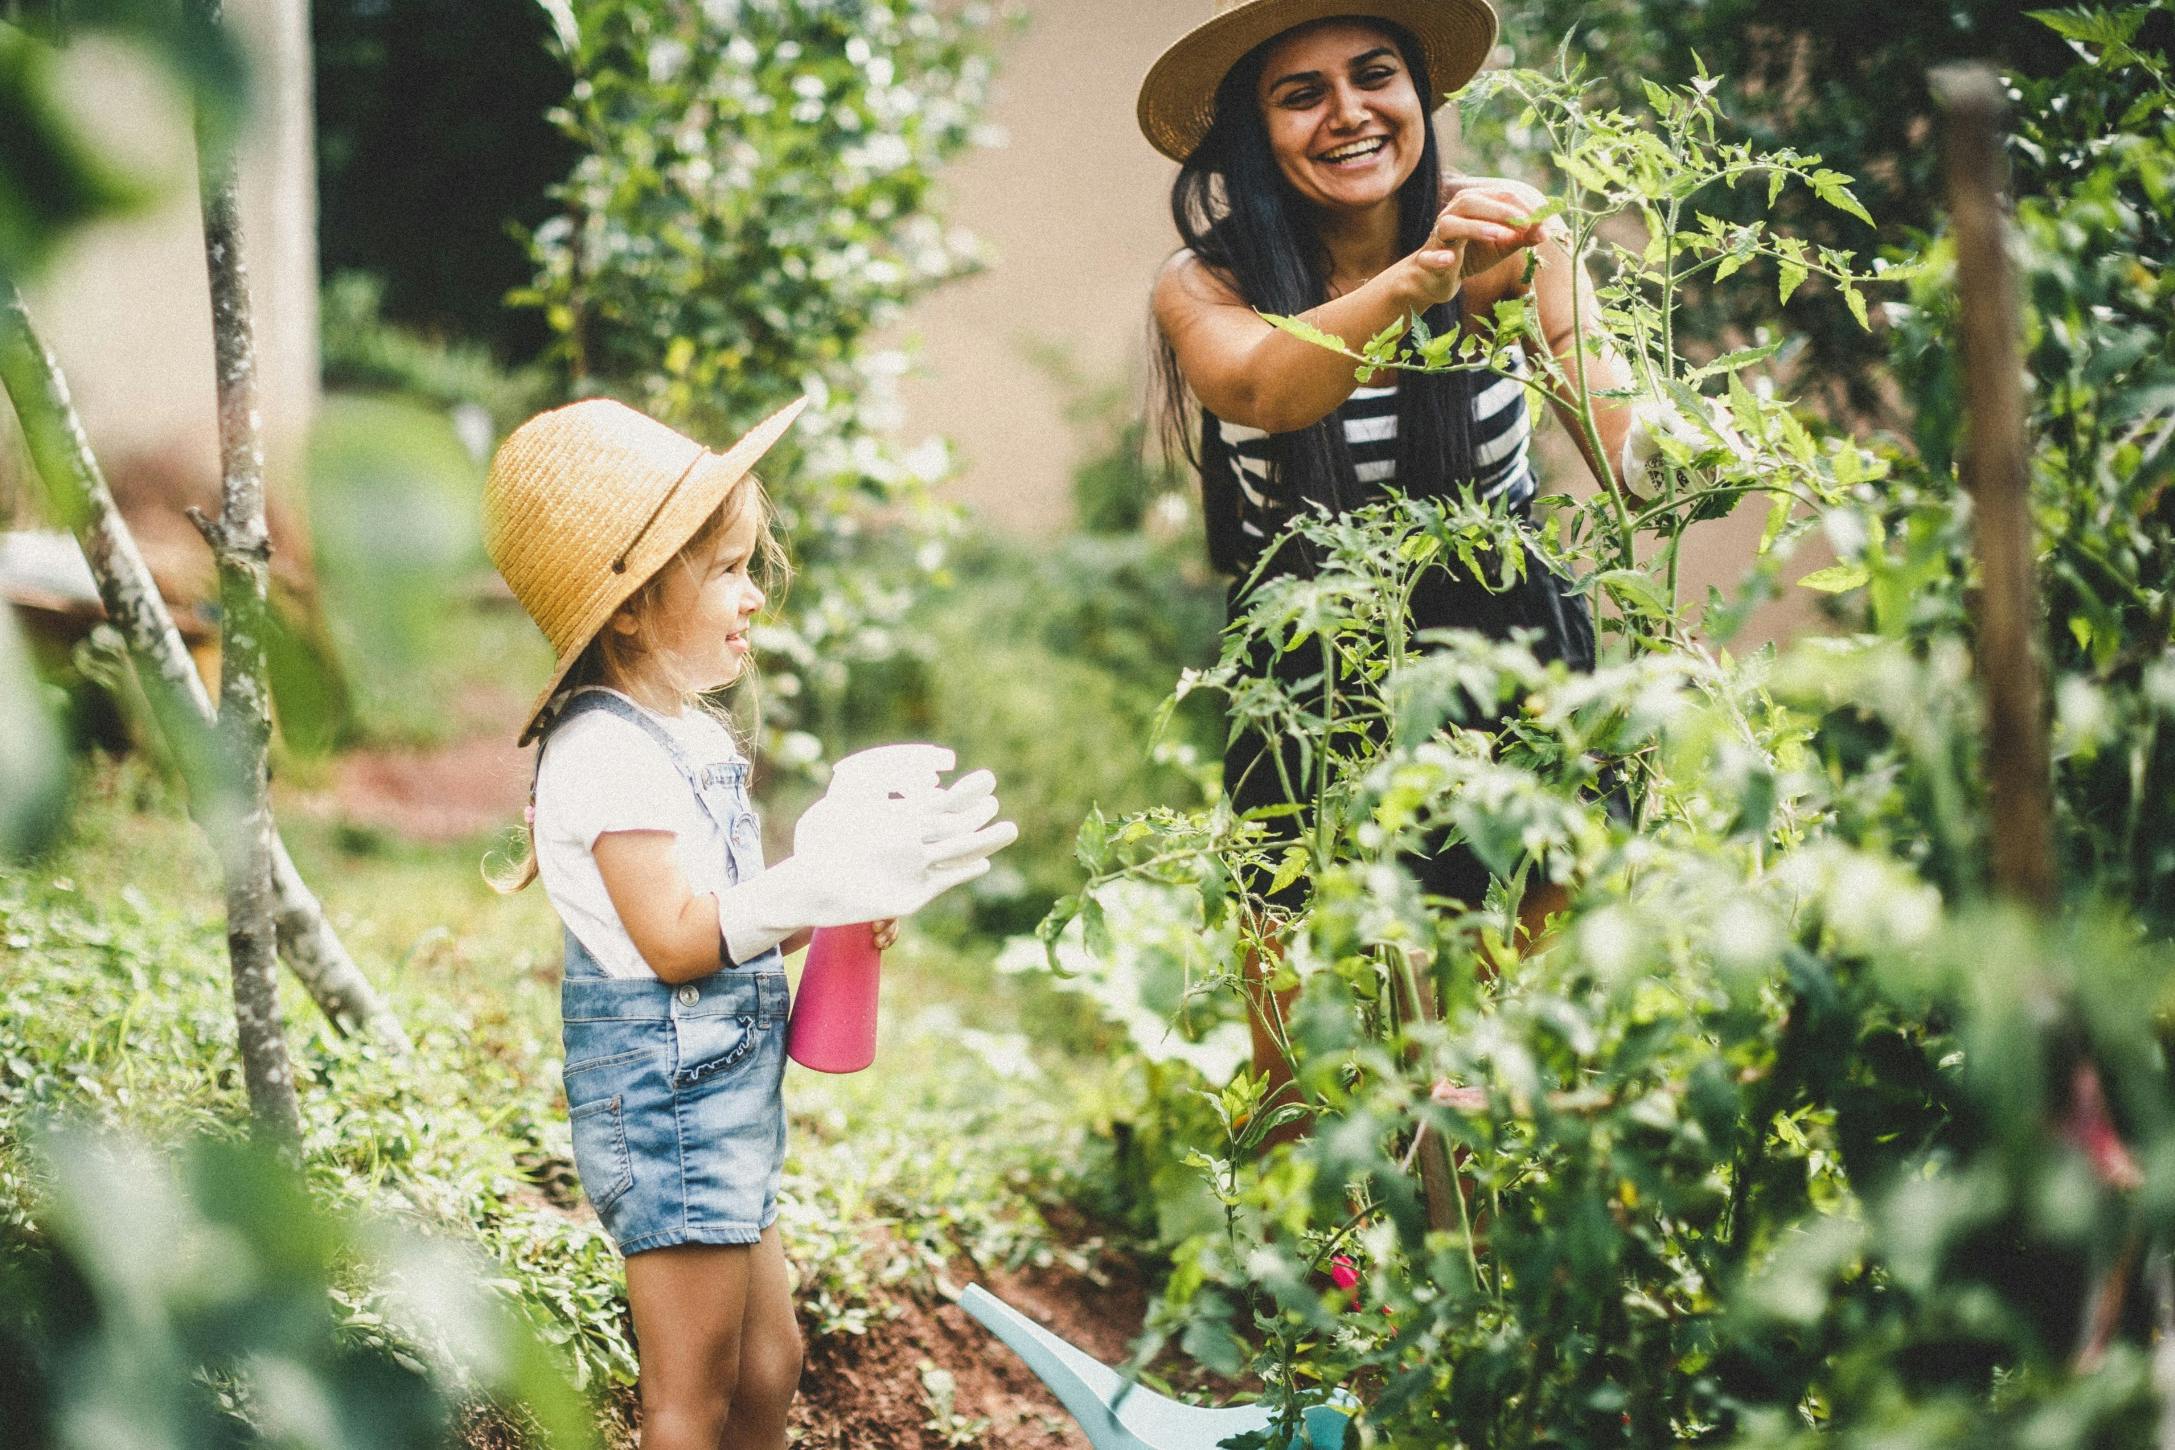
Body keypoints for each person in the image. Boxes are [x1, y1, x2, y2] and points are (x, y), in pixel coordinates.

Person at [1139, 0, 1640, 1128]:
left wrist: (1667, 413)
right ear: (1248, 131)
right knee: (1300, 1036)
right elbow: (1267, 387)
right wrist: (1416, 283)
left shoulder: (1508, 243)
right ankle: (1325, 1260)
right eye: (1300, 92)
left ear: (1421, 96)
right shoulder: (1203, 284)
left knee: (1509, 1035)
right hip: (1306, 660)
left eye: (1376, 78)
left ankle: (1479, 1211)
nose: (1349, 113)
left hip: (1507, 638)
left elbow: (1618, 449)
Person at [481, 396, 1015, 1450]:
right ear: (629, 605)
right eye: (725, 568)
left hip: (723, 1093)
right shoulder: (604, 750)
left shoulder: (681, 730)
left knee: (771, 1362)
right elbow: (678, 940)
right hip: (667, 1106)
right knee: (691, 1397)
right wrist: (812, 885)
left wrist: (841, 899)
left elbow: (732, 918)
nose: (753, 593)